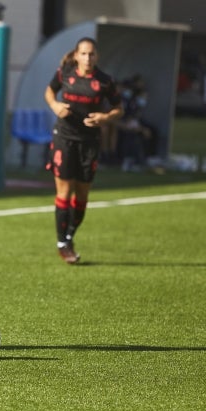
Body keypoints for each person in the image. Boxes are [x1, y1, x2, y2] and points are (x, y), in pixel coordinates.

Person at [44, 37, 122, 264]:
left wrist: (105, 117)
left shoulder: (105, 81)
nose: (88, 58)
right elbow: (49, 92)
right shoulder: (64, 74)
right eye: (84, 54)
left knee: (82, 196)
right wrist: (55, 105)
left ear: (97, 57)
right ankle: (62, 243)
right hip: (64, 138)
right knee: (64, 192)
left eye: (92, 54)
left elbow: (119, 109)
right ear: (76, 55)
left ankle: (69, 237)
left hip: (89, 141)